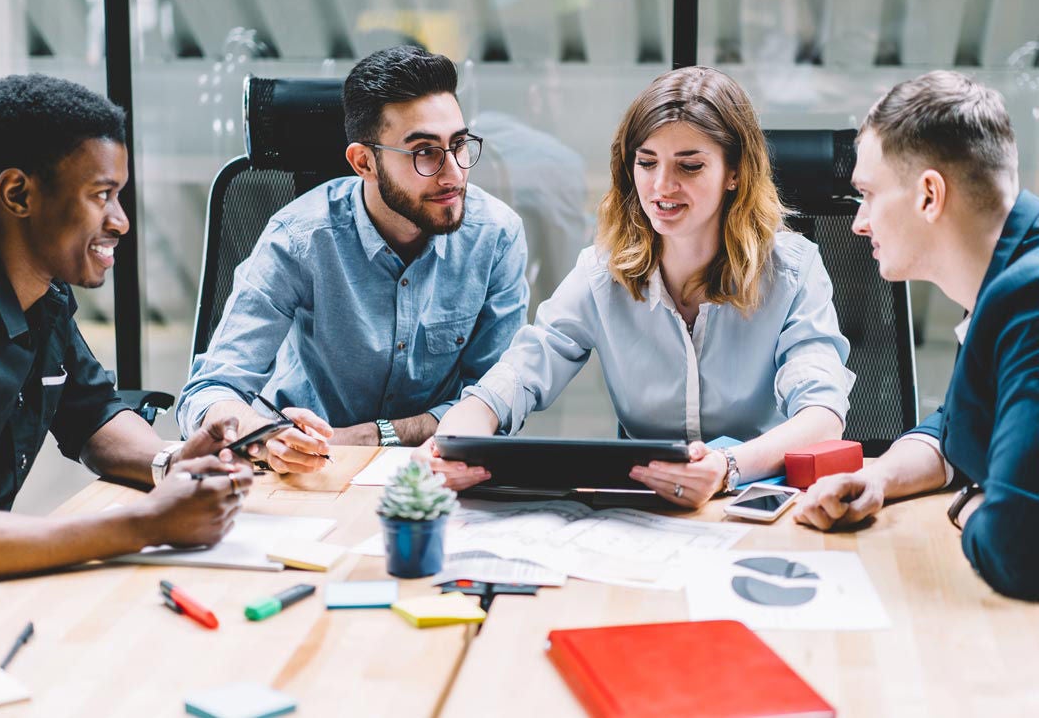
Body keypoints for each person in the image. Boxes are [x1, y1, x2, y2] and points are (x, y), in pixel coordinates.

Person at [424, 66, 854, 508]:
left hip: (758, 504)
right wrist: (452, 442)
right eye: (646, 163)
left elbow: (822, 416)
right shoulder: (601, 273)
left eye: (689, 166)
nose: (662, 186)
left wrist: (726, 466)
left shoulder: (792, 270)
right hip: (646, 514)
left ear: (735, 173)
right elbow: (517, 376)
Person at [176, 45, 529, 472]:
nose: (453, 172)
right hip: (302, 470)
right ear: (364, 162)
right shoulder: (299, 239)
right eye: (424, 152)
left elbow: (495, 400)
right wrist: (263, 437)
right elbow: (208, 391)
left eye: (458, 144)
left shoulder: (496, 236)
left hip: (427, 471)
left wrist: (374, 435)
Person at [0, 74, 254, 582]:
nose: (121, 221)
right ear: (17, 194)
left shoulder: (42, 295)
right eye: (101, 195)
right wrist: (143, 524)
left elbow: (91, 412)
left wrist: (173, 460)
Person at [793, 71, 1039, 600]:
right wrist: (879, 479)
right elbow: (962, 418)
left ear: (929, 195)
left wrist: (969, 502)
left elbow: (1017, 548)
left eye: (868, 194)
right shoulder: (1006, 278)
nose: (858, 223)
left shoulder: (1030, 300)